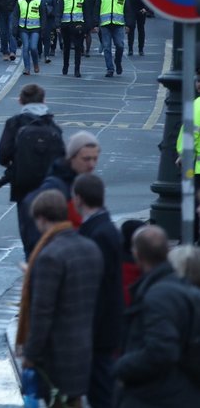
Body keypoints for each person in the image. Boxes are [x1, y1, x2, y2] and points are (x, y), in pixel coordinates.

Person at [17, 190, 103, 407]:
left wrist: (31, 354)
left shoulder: (49, 256)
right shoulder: (89, 248)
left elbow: (42, 312)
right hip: (84, 348)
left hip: (57, 355)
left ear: (42, 219)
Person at [114, 225, 200, 406]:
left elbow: (161, 351)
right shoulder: (183, 290)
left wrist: (121, 366)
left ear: (137, 254)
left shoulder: (158, 296)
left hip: (158, 395)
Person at [0, 83, 64, 258]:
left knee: (28, 234)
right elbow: (62, 158)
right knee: (49, 234)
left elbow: (3, 156)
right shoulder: (52, 126)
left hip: (23, 187)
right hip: (50, 188)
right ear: (44, 100)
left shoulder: (14, 123)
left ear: (20, 101)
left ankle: (31, 269)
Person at [72, 174, 124, 408]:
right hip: (104, 328)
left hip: (100, 331)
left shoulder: (98, 233)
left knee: (101, 391)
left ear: (78, 199)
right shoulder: (103, 228)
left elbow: (99, 286)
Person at [93, 0, 129, 78]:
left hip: (118, 24)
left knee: (120, 46)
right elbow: (97, 9)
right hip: (105, 25)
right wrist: (96, 24)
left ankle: (117, 62)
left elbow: (128, 10)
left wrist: (128, 24)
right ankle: (110, 69)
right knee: (107, 48)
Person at [56, 0, 87, 77]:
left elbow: (86, 12)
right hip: (66, 25)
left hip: (78, 25)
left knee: (78, 48)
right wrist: (58, 25)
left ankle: (77, 69)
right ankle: (65, 66)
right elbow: (59, 12)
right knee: (67, 47)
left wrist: (86, 26)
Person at [13, 0, 46, 75]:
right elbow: (16, 16)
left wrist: (43, 29)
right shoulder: (20, 1)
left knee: (33, 47)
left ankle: (35, 63)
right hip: (23, 28)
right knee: (26, 47)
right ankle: (27, 68)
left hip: (35, 28)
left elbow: (43, 17)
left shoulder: (39, 1)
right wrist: (14, 28)